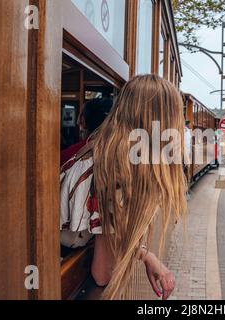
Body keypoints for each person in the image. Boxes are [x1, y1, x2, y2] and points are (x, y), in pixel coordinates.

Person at [60, 75, 187, 300]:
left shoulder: (103, 150)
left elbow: (108, 231)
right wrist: (148, 256)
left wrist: (145, 255)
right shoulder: (119, 169)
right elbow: (102, 274)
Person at [60, 98, 113, 167]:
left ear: (83, 122)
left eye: (81, 116)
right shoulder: (121, 150)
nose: (77, 122)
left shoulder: (69, 154)